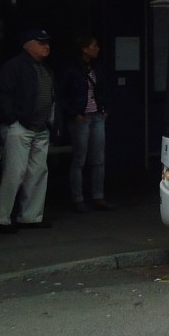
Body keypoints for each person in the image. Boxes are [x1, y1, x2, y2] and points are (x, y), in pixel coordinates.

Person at [0, 29, 55, 233]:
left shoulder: (44, 68)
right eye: (41, 42)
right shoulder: (15, 66)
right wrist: (12, 120)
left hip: (39, 127)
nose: (46, 46)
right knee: (14, 172)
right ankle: (2, 218)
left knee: (37, 172)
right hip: (21, 126)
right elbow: (3, 95)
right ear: (27, 44)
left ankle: (31, 216)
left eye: (47, 42)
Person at [58, 34, 114, 213]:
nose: (97, 49)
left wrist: (105, 109)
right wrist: (74, 114)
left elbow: (104, 89)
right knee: (79, 159)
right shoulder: (72, 70)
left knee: (98, 159)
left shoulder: (97, 68)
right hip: (81, 117)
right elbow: (61, 95)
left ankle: (98, 196)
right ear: (84, 49)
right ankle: (78, 199)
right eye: (94, 46)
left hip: (97, 115)